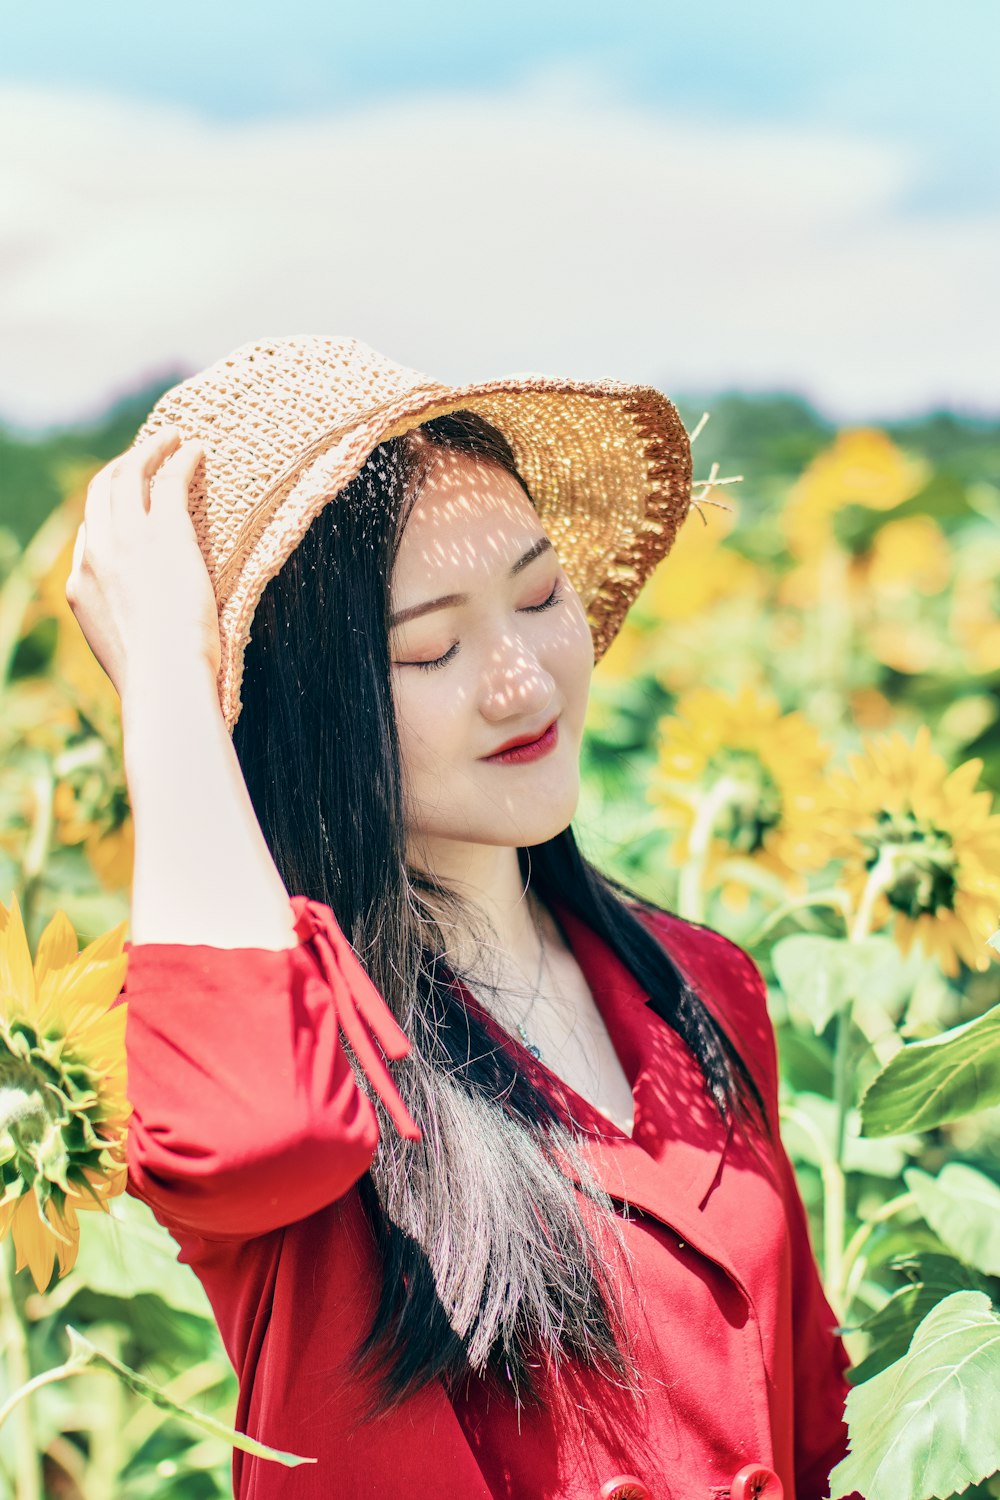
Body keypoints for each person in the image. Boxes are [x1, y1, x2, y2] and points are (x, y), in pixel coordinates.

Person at [66, 336, 857, 1500]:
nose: (525, 681)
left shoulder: (702, 987)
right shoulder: (291, 1049)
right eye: (429, 648)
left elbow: (819, 1428)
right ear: (307, 713)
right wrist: (173, 682)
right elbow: (252, 1140)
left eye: (540, 597)